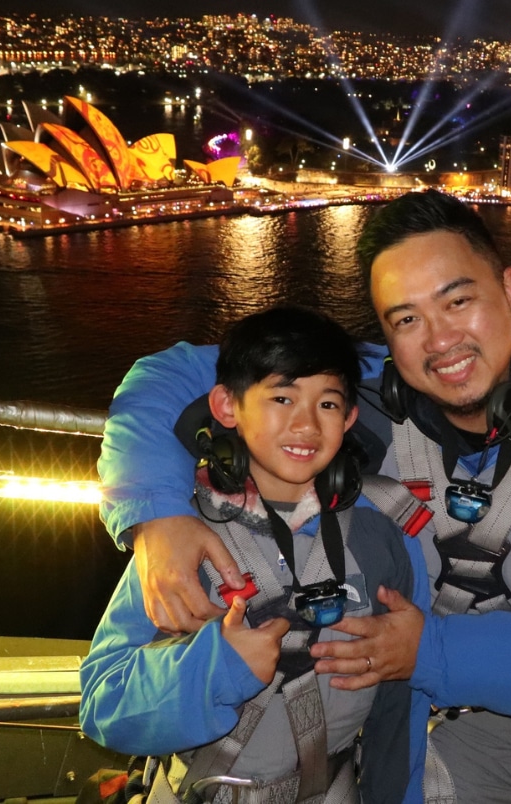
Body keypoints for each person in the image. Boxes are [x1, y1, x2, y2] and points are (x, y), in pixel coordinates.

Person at [97, 191, 511, 803]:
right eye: (405, 318)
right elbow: (165, 377)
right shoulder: (358, 396)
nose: (439, 342)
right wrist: (155, 515)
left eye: (458, 301)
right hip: (382, 768)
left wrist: (431, 652)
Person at [80, 306, 431, 804]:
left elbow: (398, 707)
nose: (305, 423)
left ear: (351, 417)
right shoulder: (182, 538)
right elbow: (103, 702)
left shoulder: (383, 531)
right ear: (226, 406)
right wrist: (218, 669)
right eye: (282, 397)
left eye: (328, 405)